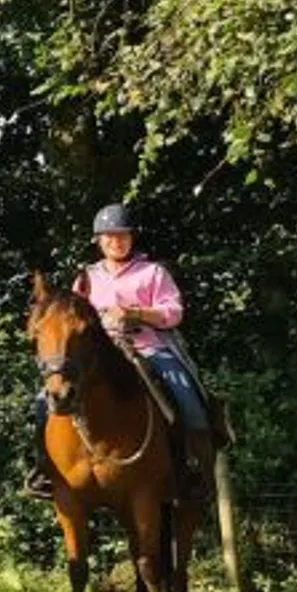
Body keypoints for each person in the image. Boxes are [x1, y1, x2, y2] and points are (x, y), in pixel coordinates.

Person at [26, 203, 213, 497]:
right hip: (98, 354)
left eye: (122, 235)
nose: (116, 241)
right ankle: (43, 467)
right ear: (99, 240)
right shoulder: (85, 278)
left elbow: (174, 312)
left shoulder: (152, 273)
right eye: (109, 236)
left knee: (186, 397)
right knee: (43, 401)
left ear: (132, 237)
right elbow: (72, 319)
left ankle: (192, 467)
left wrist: (136, 313)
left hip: (147, 347)